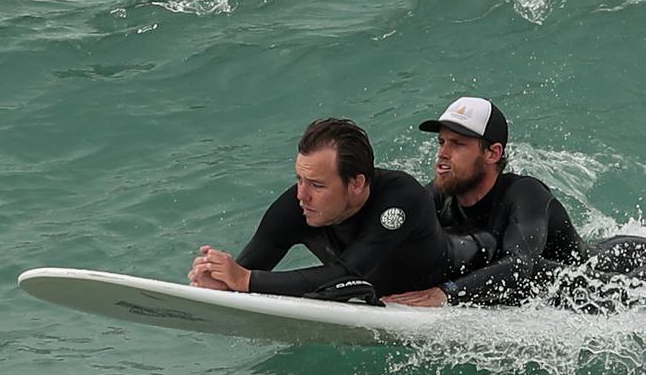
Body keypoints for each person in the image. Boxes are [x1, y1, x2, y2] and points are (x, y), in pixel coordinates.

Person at [382, 96, 646, 309]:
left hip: (619, 271)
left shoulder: (525, 193)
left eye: (457, 144)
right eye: (441, 142)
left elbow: (520, 266)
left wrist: (447, 293)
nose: (442, 154)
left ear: (492, 153)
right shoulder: (440, 196)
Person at [189, 117, 486, 299]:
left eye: (317, 185)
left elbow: (350, 274)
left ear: (356, 183)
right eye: (299, 179)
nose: (302, 195)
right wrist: (221, 279)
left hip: (470, 266)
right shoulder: (299, 204)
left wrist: (244, 280)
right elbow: (248, 271)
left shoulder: (400, 198)